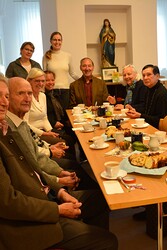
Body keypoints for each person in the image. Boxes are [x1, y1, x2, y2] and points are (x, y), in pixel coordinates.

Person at [0, 76, 118, 250]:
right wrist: (58, 208)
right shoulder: (8, 129)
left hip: (46, 197)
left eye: (7, 96)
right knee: (107, 240)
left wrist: (60, 191)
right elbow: (9, 202)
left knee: (99, 199)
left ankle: (86, 231)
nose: (4, 102)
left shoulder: (8, 128)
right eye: (20, 94)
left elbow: (34, 168)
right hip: (30, 221)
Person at [126, 64, 167, 128]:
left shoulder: (162, 94)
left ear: (157, 76)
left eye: (149, 75)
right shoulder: (148, 89)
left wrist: (140, 115)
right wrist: (134, 110)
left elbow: (162, 120)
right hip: (149, 125)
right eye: (143, 75)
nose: (145, 78)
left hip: (161, 130)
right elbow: (146, 110)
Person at [43, 31, 79, 109]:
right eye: (55, 40)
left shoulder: (68, 56)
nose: (57, 42)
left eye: (59, 40)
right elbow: (44, 75)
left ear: (62, 41)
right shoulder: (46, 56)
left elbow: (72, 73)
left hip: (65, 90)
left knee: (65, 115)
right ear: (51, 41)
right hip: (52, 91)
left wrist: (83, 80)